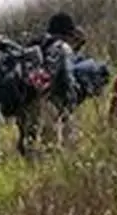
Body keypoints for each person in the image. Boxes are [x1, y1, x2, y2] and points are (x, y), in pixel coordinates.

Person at [17, 12, 82, 160]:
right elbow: (68, 79)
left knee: (31, 145)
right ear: (67, 32)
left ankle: (31, 176)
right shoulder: (61, 48)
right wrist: (70, 104)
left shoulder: (34, 46)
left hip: (27, 101)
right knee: (55, 149)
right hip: (50, 102)